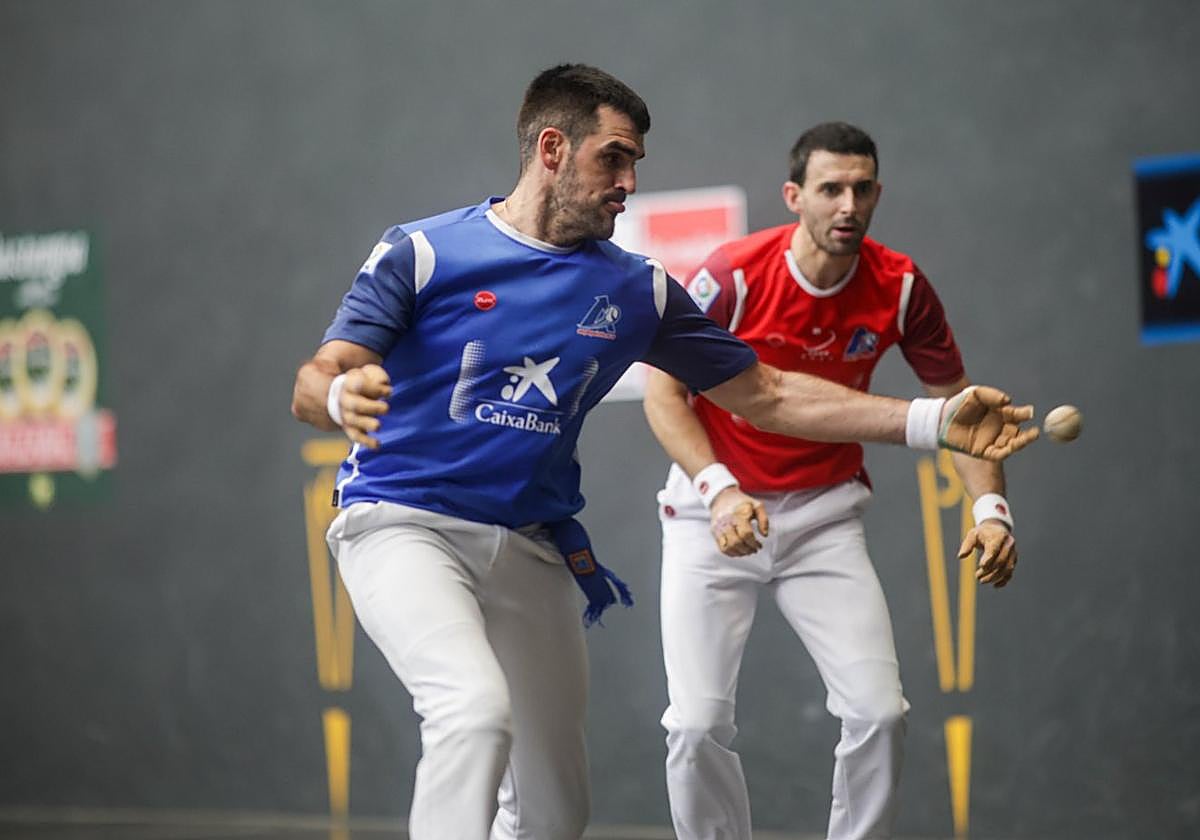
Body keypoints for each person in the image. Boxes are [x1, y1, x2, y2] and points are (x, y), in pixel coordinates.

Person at [291, 68, 1036, 840]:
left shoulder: (637, 289)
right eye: (613, 159)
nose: (629, 183)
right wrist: (341, 397)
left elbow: (767, 394)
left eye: (635, 163)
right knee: (473, 712)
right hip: (402, 522)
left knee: (554, 815)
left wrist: (934, 421)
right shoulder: (423, 252)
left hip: (532, 545)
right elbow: (315, 380)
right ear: (552, 149)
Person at [643, 121, 1023, 840]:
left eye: (862, 189)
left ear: (877, 193)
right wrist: (719, 490)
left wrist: (992, 508)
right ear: (794, 196)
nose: (848, 205)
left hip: (824, 521)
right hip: (712, 515)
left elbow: (961, 413)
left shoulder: (901, 288)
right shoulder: (733, 277)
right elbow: (664, 394)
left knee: (880, 713)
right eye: (830, 189)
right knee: (695, 725)